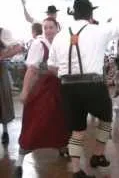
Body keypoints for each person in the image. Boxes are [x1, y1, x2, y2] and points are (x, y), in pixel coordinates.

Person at [47, 0, 119, 177]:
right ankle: (98, 154)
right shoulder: (98, 30)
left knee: (77, 130)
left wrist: (67, 77)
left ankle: (76, 170)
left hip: (67, 87)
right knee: (107, 119)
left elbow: (51, 67)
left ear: (74, 13)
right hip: (93, 85)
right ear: (90, 14)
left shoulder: (59, 36)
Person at [14, 18, 70, 178]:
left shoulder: (62, 43)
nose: (48, 30)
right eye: (45, 27)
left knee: (61, 121)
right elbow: (31, 70)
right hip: (42, 89)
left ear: (57, 28)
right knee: (34, 123)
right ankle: (19, 161)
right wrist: (25, 92)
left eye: (51, 27)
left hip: (60, 88)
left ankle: (62, 147)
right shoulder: (39, 44)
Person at [0, 28, 23, 145]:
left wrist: (2, 56)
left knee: (3, 101)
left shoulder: (2, 31)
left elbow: (19, 46)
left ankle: (5, 131)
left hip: (0, 71)